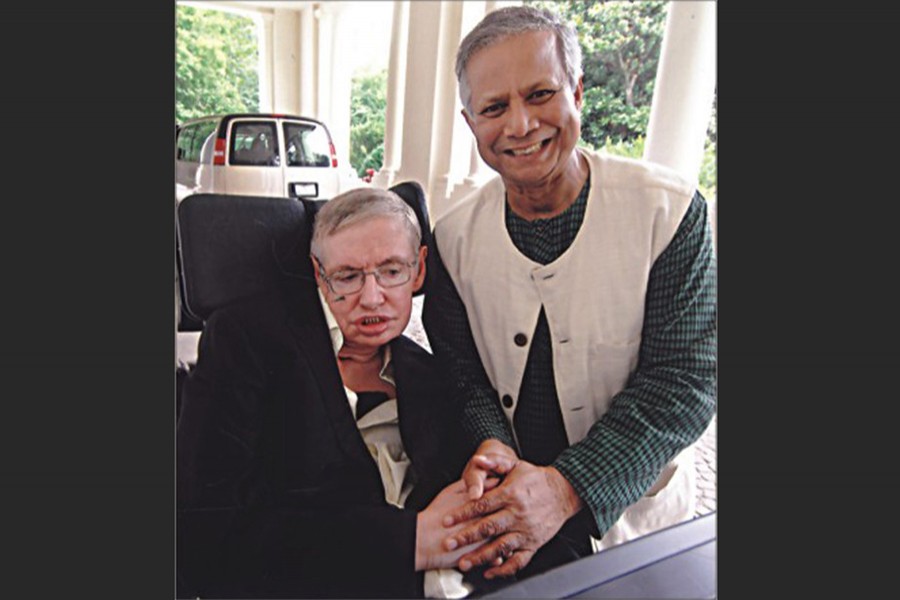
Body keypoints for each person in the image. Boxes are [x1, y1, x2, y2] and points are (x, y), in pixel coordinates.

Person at [422, 5, 717, 582]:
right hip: (508, 516)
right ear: (469, 122)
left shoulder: (669, 210)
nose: (521, 125)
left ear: (577, 90)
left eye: (539, 94)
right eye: (494, 107)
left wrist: (568, 486)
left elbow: (685, 379)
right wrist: (493, 448)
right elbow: (459, 371)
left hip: (639, 523)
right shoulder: (454, 238)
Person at [177, 188, 486, 598]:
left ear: (420, 269)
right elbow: (205, 531)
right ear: (319, 274)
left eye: (392, 271)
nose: (372, 298)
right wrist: (410, 541)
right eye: (347, 277)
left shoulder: (428, 372)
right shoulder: (248, 342)